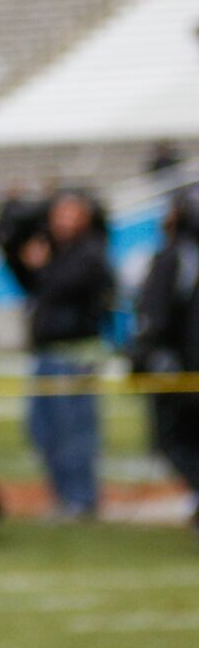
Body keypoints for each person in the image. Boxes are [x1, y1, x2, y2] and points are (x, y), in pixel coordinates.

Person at [8, 190, 114, 519]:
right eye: (59, 213)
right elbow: (26, 278)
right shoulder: (57, 252)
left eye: (71, 213)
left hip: (75, 353)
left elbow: (62, 287)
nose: (63, 221)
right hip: (48, 351)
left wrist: (44, 265)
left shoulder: (90, 252)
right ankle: (64, 496)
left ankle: (81, 499)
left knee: (74, 431)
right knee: (43, 429)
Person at [128, 186, 199, 533]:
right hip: (183, 366)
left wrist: (147, 352)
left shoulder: (175, 257)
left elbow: (155, 314)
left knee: (174, 440)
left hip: (182, 370)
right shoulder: (178, 256)